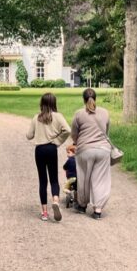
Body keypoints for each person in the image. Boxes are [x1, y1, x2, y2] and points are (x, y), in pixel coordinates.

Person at [25, 92, 71, 221]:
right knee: (54, 178)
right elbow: (67, 130)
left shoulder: (36, 118)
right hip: (51, 148)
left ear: (42, 104)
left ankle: (44, 212)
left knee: (42, 180)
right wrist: (57, 141)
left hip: (39, 149)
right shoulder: (58, 116)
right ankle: (55, 200)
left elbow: (29, 135)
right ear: (54, 103)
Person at [69, 87, 112, 220]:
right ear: (95, 98)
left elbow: (74, 134)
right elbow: (106, 131)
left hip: (85, 150)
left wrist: (76, 143)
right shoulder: (105, 113)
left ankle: (82, 205)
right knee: (99, 180)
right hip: (103, 150)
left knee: (83, 178)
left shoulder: (79, 114)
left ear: (83, 99)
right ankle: (98, 209)